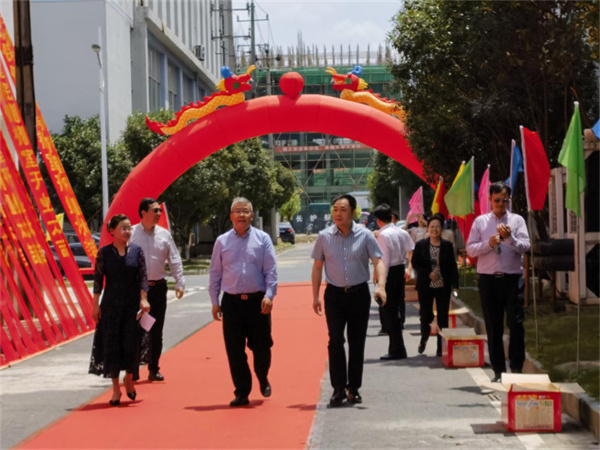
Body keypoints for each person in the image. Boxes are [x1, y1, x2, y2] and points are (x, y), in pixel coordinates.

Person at [311, 194, 387, 407]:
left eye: (343, 209)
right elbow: (317, 268)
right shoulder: (324, 236)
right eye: (335, 209)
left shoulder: (365, 235)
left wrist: (381, 286)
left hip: (358, 294)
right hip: (334, 296)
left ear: (353, 212)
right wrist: (315, 296)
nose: (338, 213)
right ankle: (338, 389)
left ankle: (353, 388)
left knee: (356, 342)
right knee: (335, 340)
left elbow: (378, 262)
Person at [209, 197, 277, 407]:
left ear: (251, 215)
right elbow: (215, 273)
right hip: (232, 303)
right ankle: (242, 391)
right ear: (231, 216)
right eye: (237, 211)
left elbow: (271, 271)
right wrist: (215, 301)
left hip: (258, 302)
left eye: (245, 211)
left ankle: (262, 376)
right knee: (234, 350)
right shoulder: (222, 241)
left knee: (262, 347)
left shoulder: (263, 239)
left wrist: (269, 295)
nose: (241, 215)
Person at [466, 182, 530, 382]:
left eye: (505, 200)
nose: (501, 204)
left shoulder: (517, 221)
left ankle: (517, 367)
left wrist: (509, 238)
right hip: (489, 280)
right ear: (490, 200)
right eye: (497, 200)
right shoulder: (481, 222)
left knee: (515, 323)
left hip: (512, 279)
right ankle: (498, 370)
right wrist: (489, 243)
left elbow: (526, 246)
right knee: (493, 326)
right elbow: (470, 249)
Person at [89, 214, 151, 406]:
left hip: (132, 307)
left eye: (129, 228)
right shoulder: (104, 253)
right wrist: (95, 304)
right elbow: (98, 280)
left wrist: (143, 298)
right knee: (112, 346)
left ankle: (129, 378)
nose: (127, 231)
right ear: (112, 231)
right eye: (123, 228)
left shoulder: (137, 252)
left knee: (131, 345)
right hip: (111, 307)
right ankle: (116, 389)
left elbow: (143, 277)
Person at [130, 198, 185, 382]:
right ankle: (133, 369)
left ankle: (153, 369)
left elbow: (174, 259)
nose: (158, 214)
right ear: (143, 212)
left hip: (158, 289)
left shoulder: (164, 234)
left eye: (159, 211)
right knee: (136, 330)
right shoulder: (131, 234)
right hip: (137, 290)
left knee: (155, 331)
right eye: (155, 210)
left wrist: (180, 282)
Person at [411, 214, 459, 357]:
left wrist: (455, 285)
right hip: (425, 286)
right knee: (426, 315)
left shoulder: (447, 246)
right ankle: (424, 337)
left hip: (443, 286)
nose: (434, 229)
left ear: (441, 229)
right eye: (432, 227)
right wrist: (428, 274)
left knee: (443, 317)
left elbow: (452, 266)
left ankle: (441, 346)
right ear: (428, 228)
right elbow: (415, 263)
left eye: (437, 227)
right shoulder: (421, 245)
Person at [373, 204, 414, 360]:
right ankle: (397, 348)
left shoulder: (383, 235)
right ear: (391, 217)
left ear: (378, 220)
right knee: (395, 311)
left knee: (389, 313)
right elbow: (411, 249)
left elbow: (384, 261)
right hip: (400, 270)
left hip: (389, 273)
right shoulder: (401, 232)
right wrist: (409, 268)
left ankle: (397, 349)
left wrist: (381, 284)